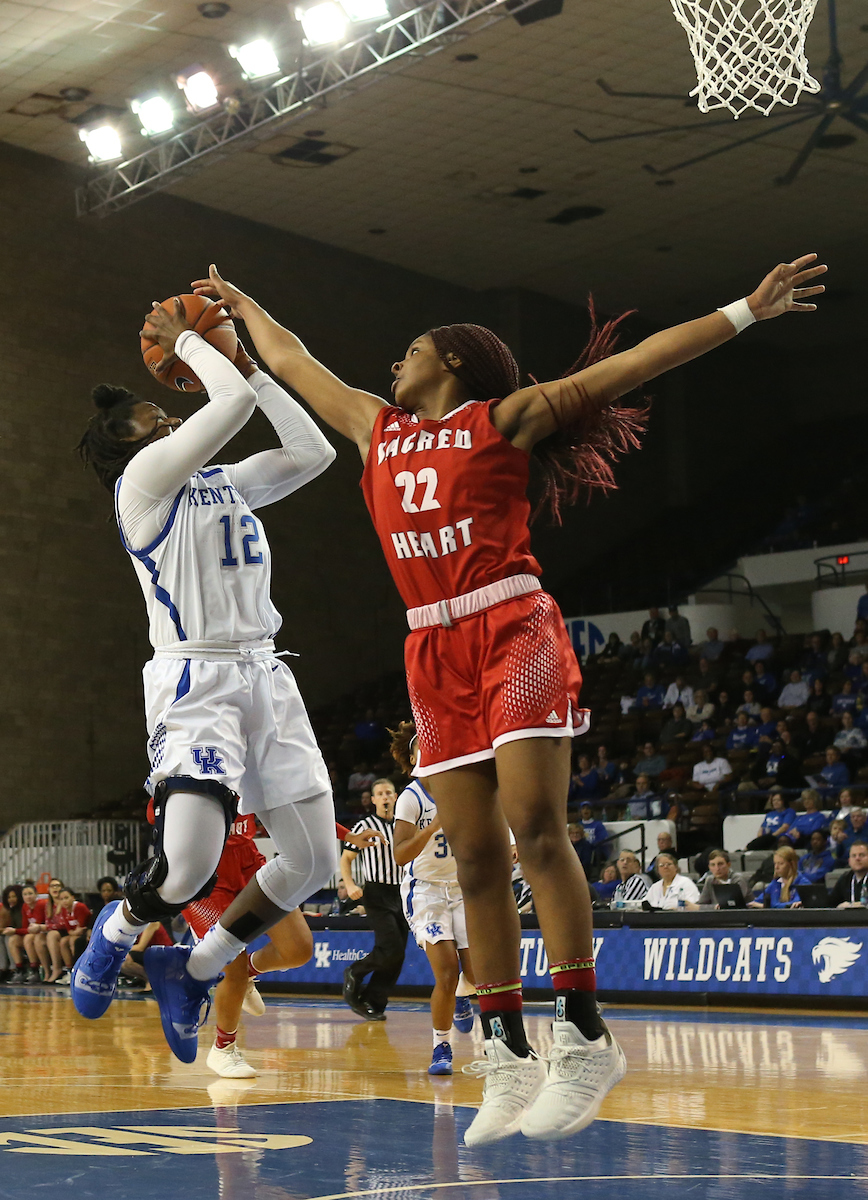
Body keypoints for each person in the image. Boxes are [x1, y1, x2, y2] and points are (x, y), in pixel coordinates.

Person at [194, 250, 825, 1145]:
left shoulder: (506, 418)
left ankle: (583, 1032)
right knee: (477, 857)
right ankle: (508, 1048)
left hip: (512, 624)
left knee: (536, 826)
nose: (393, 365)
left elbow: (631, 366)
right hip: (431, 646)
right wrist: (244, 306)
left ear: (450, 361)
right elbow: (295, 360)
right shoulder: (377, 430)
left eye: (409, 351)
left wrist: (748, 311)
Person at [71, 302, 341, 1065]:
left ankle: (189, 969)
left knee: (313, 862)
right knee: (187, 866)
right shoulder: (141, 486)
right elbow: (230, 405)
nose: (165, 413)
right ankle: (116, 932)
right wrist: (186, 334)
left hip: (266, 672)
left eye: (165, 405)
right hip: (196, 677)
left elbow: (311, 451)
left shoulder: (222, 484)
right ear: (125, 439)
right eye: (151, 411)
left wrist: (252, 366)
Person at [391, 721, 477, 1076]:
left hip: (461, 889)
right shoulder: (410, 798)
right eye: (420, 748)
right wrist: (433, 826)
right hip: (424, 890)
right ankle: (441, 1047)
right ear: (412, 759)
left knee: (475, 973)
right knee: (446, 971)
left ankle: (462, 996)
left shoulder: (459, 787)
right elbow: (400, 855)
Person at [341, 778, 408, 1021]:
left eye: (389, 792)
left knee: (398, 954)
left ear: (396, 796)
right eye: (380, 793)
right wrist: (349, 884)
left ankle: (374, 1002)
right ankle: (355, 971)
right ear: (373, 799)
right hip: (377, 892)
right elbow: (346, 859)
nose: (386, 797)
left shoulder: (404, 826)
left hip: (402, 893)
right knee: (389, 947)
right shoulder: (364, 825)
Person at [47, 888, 92, 983]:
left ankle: (78, 970)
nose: (64, 901)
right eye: (61, 899)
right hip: (74, 934)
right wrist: (74, 932)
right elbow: (69, 930)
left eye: (66, 898)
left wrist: (74, 932)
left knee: (73, 941)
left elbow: (82, 927)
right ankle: (69, 971)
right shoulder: (64, 910)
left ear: (73, 897)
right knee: (63, 942)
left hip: (87, 933)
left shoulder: (80, 907)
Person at [828, 841, 868, 907]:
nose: (857, 858)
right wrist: (840, 906)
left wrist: (856, 905)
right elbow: (830, 904)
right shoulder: (845, 879)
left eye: (861, 855)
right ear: (849, 861)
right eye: (854, 856)